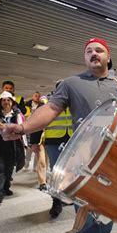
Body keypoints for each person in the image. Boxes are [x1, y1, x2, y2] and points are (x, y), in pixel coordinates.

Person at [1, 37, 117, 233]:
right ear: (84, 57)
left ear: (108, 56)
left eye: (99, 50)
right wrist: (23, 128)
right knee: (85, 221)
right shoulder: (71, 83)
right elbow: (50, 109)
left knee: (110, 212)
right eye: (88, 51)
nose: (93, 53)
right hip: (83, 163)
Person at [44, 81, 73, 218]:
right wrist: (34, 141)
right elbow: (39, 120)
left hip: (73, 141)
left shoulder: (75, 102)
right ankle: (56, 201)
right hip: (54, 140)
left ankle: (68, 196)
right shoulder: (48, 103)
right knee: (56, 172)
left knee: (72, 171)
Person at [25, 92, 48, 190]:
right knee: (42, 161)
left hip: (54, 138)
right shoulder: (44, 104)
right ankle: (42, 183)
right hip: (41, 139)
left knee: (46, 162)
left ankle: (46, 180)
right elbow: (36, 123)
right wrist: (34, 142)